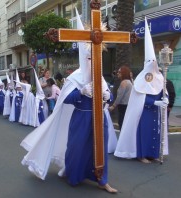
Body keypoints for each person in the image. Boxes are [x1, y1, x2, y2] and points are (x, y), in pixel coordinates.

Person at [20, 13, 117, 193]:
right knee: (77, 148)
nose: (92, 60)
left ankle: (102, 180)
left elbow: (109, 96)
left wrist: (106, 96)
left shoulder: (100, 75)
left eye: (94, 57)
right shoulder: (75, 77)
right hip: (81, 118)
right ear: (83, 57)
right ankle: (74, 175)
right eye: (88, 57)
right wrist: (81, 92)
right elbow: (65, 99)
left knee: (99, 150)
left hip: (99, 118)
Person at [114, 18, 169, 164]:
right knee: (144, 132)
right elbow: (139, 98)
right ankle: (141, 154)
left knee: (155, 133)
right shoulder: (140, 79)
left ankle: (153, 153)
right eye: (150, 62)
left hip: (156, 113)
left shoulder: (160, 76)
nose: (152, 65)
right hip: (144, 112)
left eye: (154, 62)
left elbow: (163, 92)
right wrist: (154, 102)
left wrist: (165, 99)